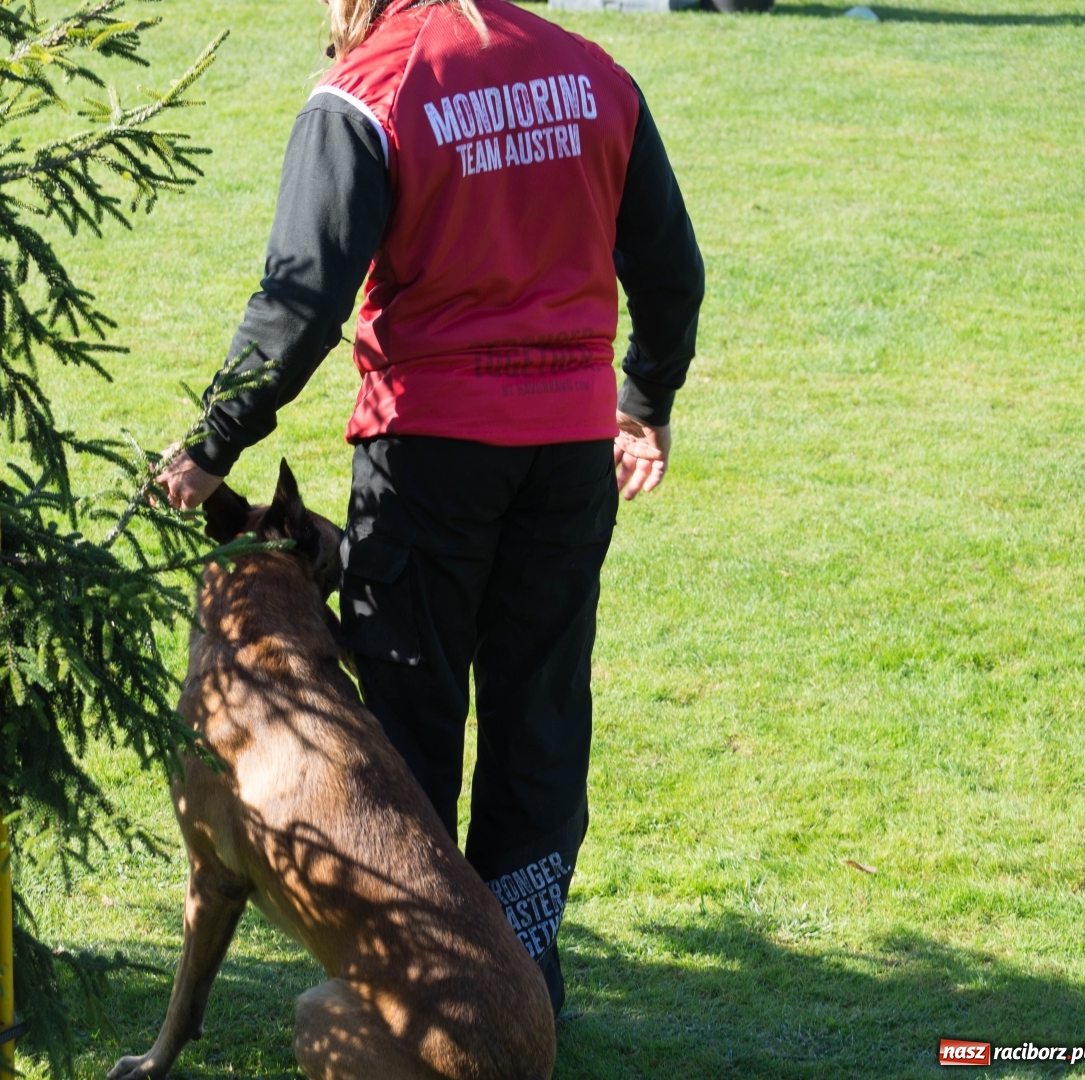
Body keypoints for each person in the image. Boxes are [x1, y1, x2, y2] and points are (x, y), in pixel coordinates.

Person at [155, 0, 703, 1014]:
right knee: (538, 719)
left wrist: (213, 440)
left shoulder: (366, 90)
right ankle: (523, 981)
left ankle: (421, 986)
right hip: (568, 452)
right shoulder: (593, 74)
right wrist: (643, 401)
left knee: (407, 726)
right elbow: (671, 271)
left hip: (428, 453)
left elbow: (299, 296)